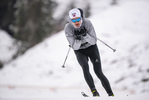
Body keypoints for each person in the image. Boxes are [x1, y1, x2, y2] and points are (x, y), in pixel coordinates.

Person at [64, 8, 114, 97]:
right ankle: (94, 92)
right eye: (73, 20)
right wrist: (78, 39)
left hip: (92, 48)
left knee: (98, 71)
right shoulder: (68, 28)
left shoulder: (87, 23)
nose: (76, 22)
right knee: (85, 66)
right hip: (79, 51)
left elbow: (94, 41)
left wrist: (85, 35)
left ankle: (111, 94)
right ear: (70, 20)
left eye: (78, 19)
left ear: (81, 17)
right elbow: (74, 47)